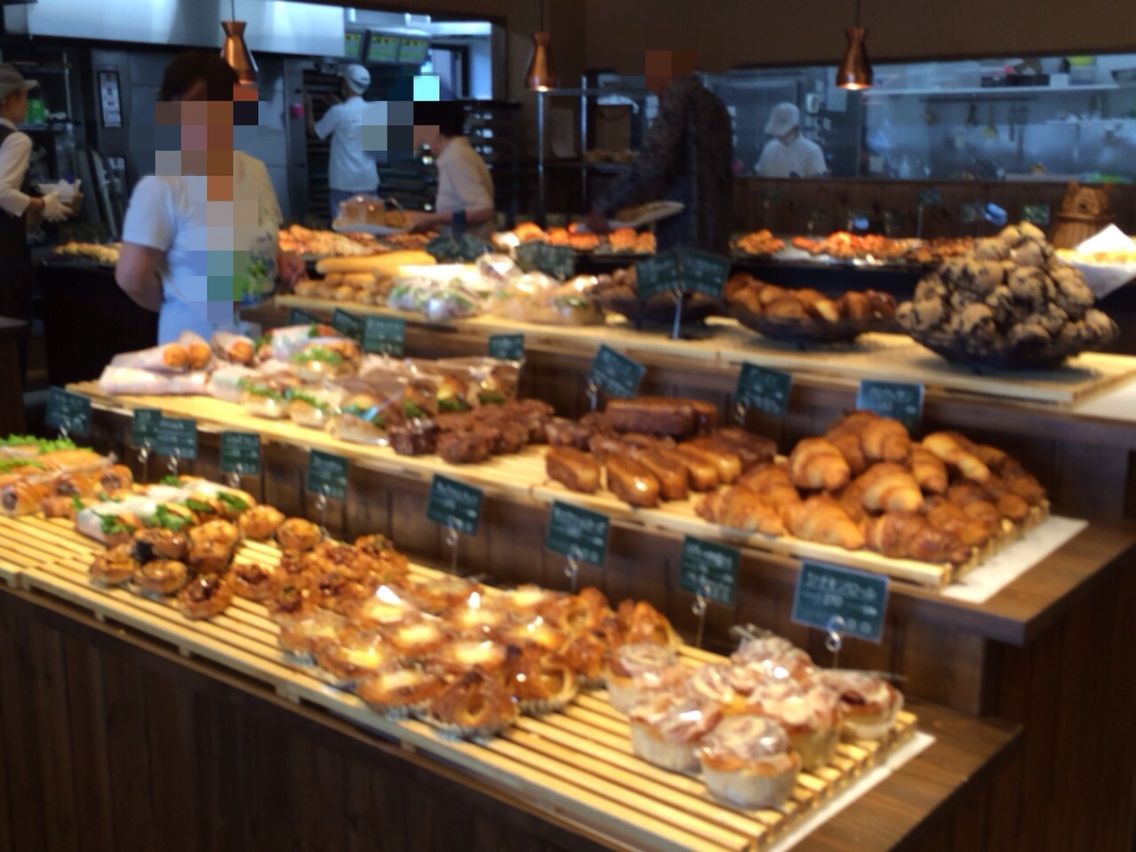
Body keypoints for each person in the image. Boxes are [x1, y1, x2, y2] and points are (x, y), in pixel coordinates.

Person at [116, 52, 297, 345]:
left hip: (261, 345)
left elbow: (261, 239)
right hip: (196, 348)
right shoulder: (162, 186)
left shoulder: (255, 170)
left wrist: (282, 260)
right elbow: (131, 278)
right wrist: (187, 305)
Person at [585, 51, 733, 254]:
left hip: (684, 231)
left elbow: (653, 160)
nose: (650, 88)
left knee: (678, 276)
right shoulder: (714, 103)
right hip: (716, 231)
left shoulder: (677, 97)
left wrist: (605, 206)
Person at [0, 63, 71, 369]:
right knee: (11, 342)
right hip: (5, 257)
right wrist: (41, 204)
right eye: (24, 96)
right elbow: (2, 191)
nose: (27, 103)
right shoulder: (17, 140)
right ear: (9, 100)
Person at [411, 100, 495, 239]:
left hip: (469, 248)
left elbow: (483, 211)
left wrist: (432, 219)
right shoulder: (456, 154)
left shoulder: (456, 158)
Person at [307, 64, 380, 219]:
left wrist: (308, 106)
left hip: (344, 182)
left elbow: (315, 132)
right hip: (368, 180)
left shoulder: (338, 112)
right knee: (368, 224)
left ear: (345, 84)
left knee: (344, 226)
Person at [755, 103, 827, 178]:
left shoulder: (812, 151)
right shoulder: (769, 148)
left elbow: (817, 182)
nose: (779, 135)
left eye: (784, 132)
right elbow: (759, 176)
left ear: (796, 128)